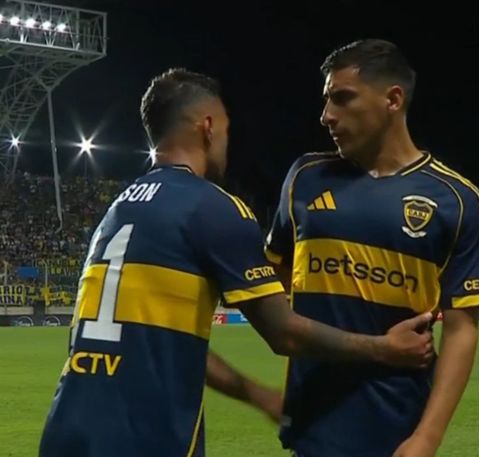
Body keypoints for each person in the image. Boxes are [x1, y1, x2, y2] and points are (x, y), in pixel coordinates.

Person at [38, 68, 435, 457]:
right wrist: (384, 348)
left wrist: (258, 395)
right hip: (144, 435)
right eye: (227, 130)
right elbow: (285, 334)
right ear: (208, 127)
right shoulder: (212, 207)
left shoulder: (120, 209)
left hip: (66, 429)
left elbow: (175, 347)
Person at [265, 39, 479, 457]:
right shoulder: (305, 178)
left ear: (393, 99)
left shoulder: (456, 200)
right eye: (326, 100)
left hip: (397, 431)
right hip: (312, 427)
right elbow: (278, 279)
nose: (326, 115)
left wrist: (426, 438)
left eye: (342, 98)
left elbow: (462, 329)